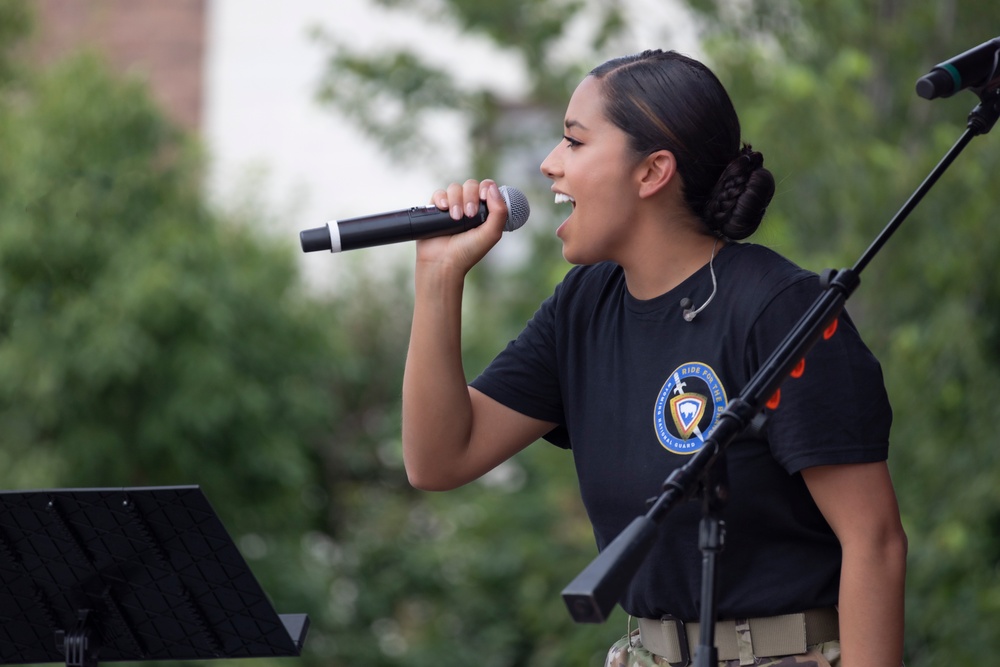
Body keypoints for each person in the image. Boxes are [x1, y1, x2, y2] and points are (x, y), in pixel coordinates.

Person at [401, 49, 907, 667]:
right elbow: (438, 458)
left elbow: (875, 542)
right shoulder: (584, 306)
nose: (548, 165)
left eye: (574, 142)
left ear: (652, 172)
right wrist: (437, 276)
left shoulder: (775, 307)